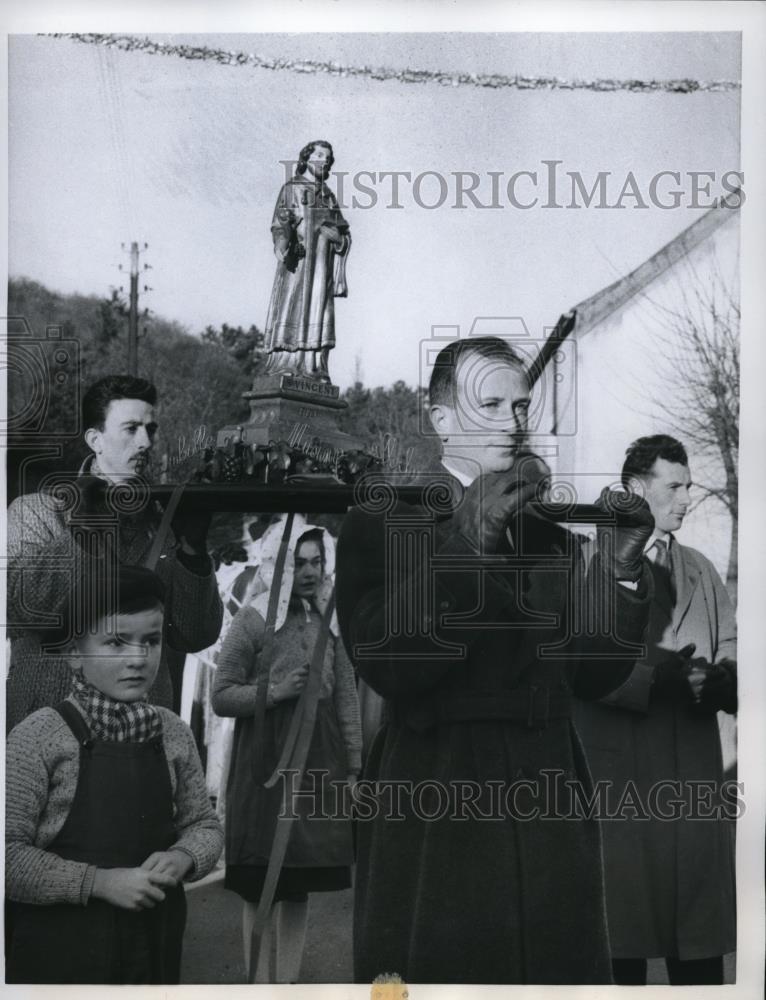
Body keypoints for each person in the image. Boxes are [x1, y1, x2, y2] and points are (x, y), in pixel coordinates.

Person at [336, 336, 655, 985]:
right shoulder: (379, 523)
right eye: (491, 404)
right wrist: (467, 543)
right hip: (435, 806)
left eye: (522, 404)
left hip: (549, 808)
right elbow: (385, 662)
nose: (514, 422)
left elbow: (596, 673)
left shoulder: (550, 537)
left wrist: (619, 574)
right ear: (441, 417)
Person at [5, 563, 224, 984]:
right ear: (73, 653)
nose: (138, 659)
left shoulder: (173, 732)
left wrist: (184, 856)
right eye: (116, 642)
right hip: (60, 956)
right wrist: (100, 883)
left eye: (152, 640)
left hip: (152, 948)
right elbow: (7, 856)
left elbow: (204, 826)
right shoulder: (38, 737)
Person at [574, 435, 737, 985]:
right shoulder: (589, 566)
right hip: (620, 786)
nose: (687, 498)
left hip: (692, 785)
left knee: (698, 953)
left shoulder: (703, 570)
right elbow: (576, 668)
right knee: (620, 951)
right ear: (635, 491)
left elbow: (733, 649)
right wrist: (653, 680)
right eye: (675, 486)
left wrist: (724, 681)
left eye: (689, 486)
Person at [6, 374, 223, 731]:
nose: (146, 442)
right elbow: (29, 609)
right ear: (95, 440)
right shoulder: (37, 511)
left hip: (141, 733)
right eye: (131, 428)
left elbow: (195, 635)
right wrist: (83, 531)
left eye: (151, 429)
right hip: (53, 728)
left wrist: (192, 551)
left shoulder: (162, 524)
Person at [212, 517, 361, 983]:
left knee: (300, 879)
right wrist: (275, 690)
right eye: (299, 563)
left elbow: (346, 695)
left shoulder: (327, 619)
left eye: (317, 561)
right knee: (260, 880)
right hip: (266, 759)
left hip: (320, 757)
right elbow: (221, 694)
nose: (311, 572)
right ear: (279, 563)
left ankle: (289, 984)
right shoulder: (252, 618)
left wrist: (354, 763)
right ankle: (257, 984)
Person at [263, 140, 351, 382]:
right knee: (293, 307)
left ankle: (314, 367)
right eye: (320, 155)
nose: (324, 160)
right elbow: (281, 224)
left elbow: (343, 233)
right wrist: (283, 246)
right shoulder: (291, 188)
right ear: (307, 158)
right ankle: (286, 363)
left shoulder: (328, 196)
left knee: (319, 312)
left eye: (328, 157)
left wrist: (338, 238)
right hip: (298, 265)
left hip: (322, 269)